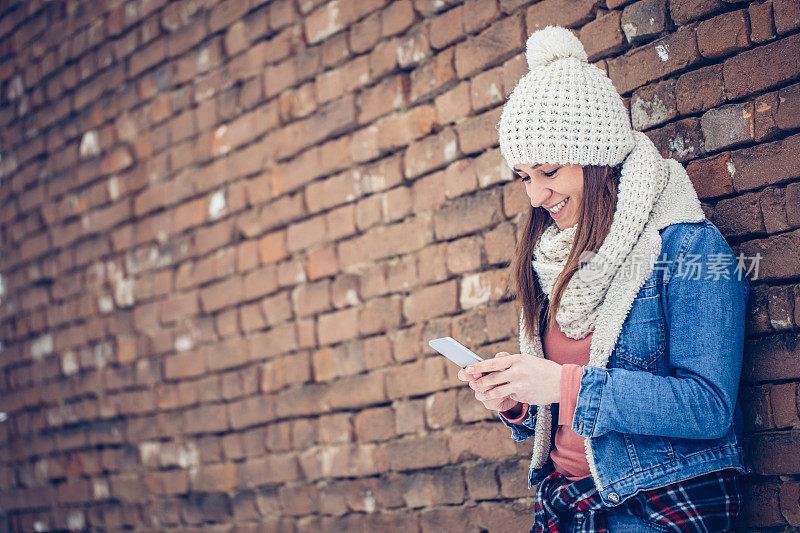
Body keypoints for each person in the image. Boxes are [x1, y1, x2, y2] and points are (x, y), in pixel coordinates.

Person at [457, 25, 750, 532]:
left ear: (595, 159)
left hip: (658, 506)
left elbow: (709, 407)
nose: (536, 196)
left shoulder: (688, 248)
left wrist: (564, 385)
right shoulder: (555, 256)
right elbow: (567, 407)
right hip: (566, 505)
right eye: (525, 177)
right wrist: (521, 402)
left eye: (548, 172)